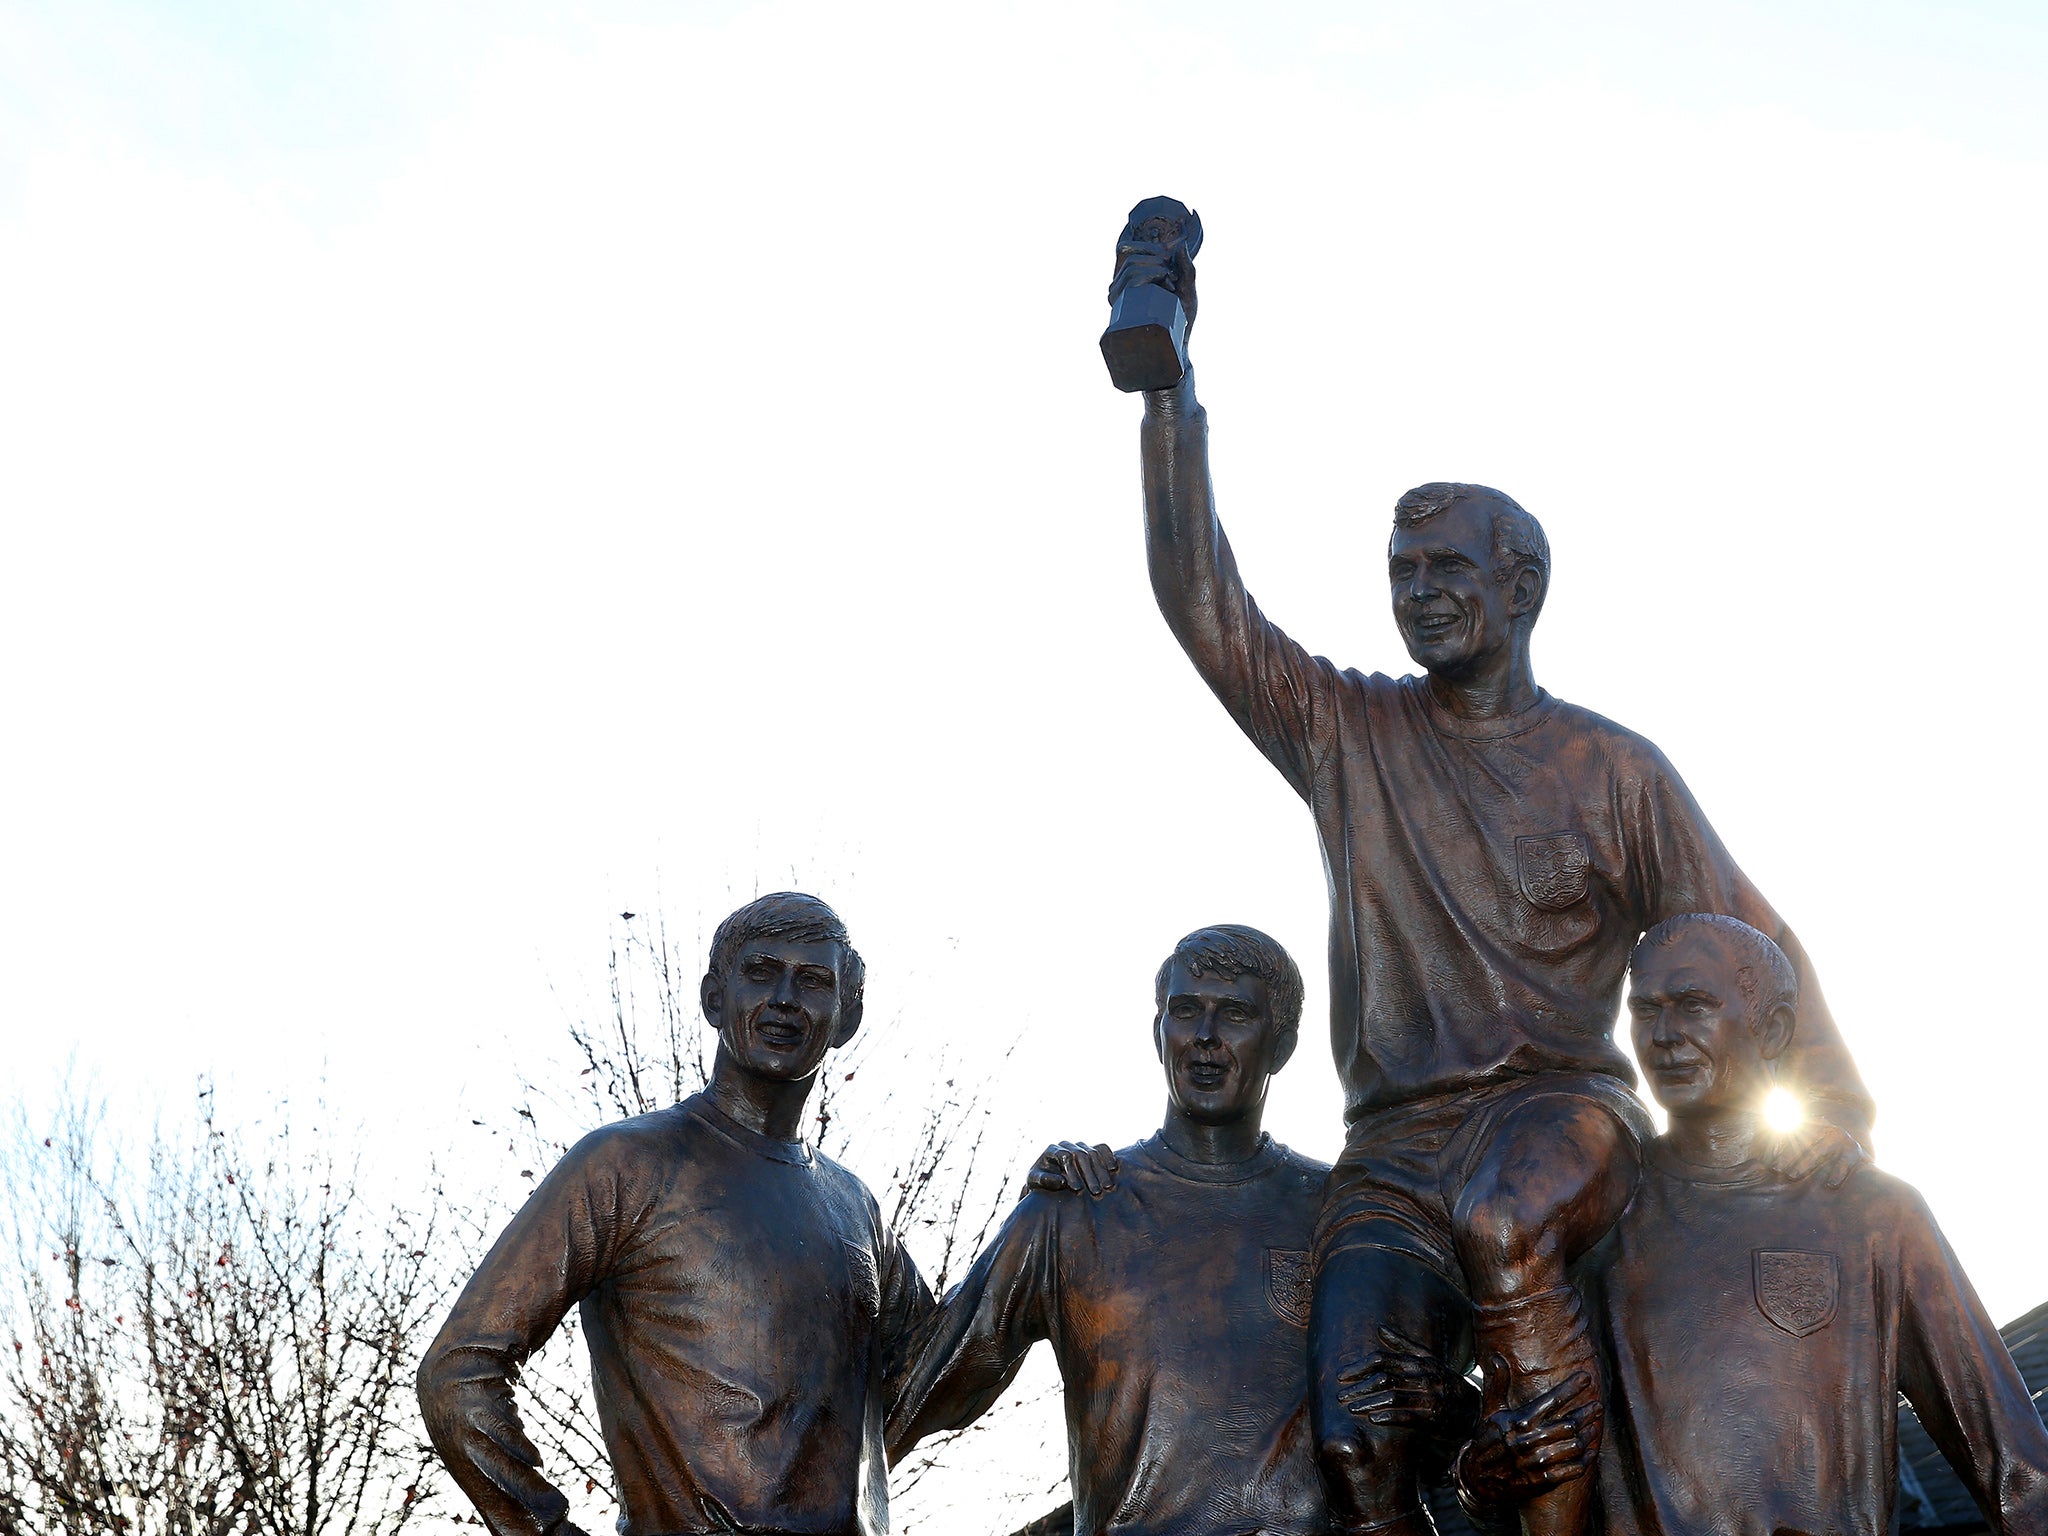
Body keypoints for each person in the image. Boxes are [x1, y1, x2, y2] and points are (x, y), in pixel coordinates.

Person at [1110, 227, 1871, 1536]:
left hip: (1562, 1117)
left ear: (1520, 587)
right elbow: (1205, 605)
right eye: (1401, 577)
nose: (1419, 597)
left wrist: (1835, 1113)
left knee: (1506, 1217)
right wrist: (1169, 392)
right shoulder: (1351, 733)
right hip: (1393, 1150)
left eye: (1447, 572)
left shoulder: (1614, 770)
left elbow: (1748, 945)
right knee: (1356, 1433)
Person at [1456, 914, 2048, 1536]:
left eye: (1693, 1006)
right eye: (1646, 1010)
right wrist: (1483, 1479)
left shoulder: (1872, 1215)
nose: (1665, 1035)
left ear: (1774, 1029)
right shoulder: (1593, 1219)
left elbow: (2017, 1473)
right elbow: (1508, 1462)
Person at [417, 892, 932, 1536]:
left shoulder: (854, 1207)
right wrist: (545, 1529)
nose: (784, 998)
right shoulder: (626, 1165)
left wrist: (1048, 1217)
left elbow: (945, 1369)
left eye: (813, 980)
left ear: (848, 1016)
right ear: (714, 998)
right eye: (760, 971)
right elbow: (459, 1371)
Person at [887, 925, 1333, 1536]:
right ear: (1157, 1035)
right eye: (1184, 1012)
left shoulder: (1337, 1209)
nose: (1204, 1038)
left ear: (1281, 1045)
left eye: (1234, 1015)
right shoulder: (1076, 1209)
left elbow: (1425, 1404)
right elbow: (917, 1395)